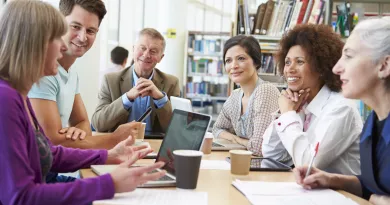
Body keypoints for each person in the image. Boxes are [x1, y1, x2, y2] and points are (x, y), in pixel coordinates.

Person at [0, 1, 165, 204]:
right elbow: (21, 197)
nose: (63, 46)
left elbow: (50, 152)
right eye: (56, 37)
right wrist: (109, 183)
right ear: (32, 43)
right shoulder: (5, 100)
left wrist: (107, 156)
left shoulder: (17, 95)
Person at [294, 17, 390, 205]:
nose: (337, 68)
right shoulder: (374, 122)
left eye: (349, 56)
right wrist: (332, 179)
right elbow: (376, 186)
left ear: (384, 65)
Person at [28, 0, 136, 149]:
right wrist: (115, 138)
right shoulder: (44, 71)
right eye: (75, 27)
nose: (83, 37)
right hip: (39, 171)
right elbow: (53, 142)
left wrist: (76, 134)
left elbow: (84, 123)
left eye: (91, 31)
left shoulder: (71, 72)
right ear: (59, 23)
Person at [261, 24, 363, 175]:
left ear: (321, 67)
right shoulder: (302, 104)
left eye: (300, 62)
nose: (290, 68)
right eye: (287, 62)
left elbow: (308, 164)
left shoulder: (341, 108)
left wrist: (288, 114)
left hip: (341, 195)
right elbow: (271, 153)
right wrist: (286, 113)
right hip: (314, 192)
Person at [92, 28, 181, 133]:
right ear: (134, 49)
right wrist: (127, 98)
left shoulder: (171, 83)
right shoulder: (110, 80)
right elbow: (98, 124)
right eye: (142, 48)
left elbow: (176, 130)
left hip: (155, 145)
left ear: (161, 57)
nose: (146, 55)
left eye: (153, 51)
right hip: (120, 144)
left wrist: (160, 99)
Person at [212, 35, 280, 156]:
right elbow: (217, 129)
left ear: (256, 62)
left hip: (273, 169)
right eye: (228, 60)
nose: (233, 66)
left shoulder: (266, 91)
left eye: (241, 58)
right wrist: (241, 141)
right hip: (249, 163)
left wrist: (236, 140)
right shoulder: (235, 96)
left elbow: (258, 148)